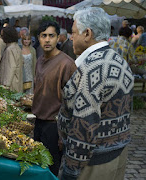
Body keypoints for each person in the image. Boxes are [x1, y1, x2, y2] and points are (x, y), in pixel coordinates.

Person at [58, 7, 134, 180]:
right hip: (117, 153)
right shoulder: (119, 60)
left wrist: (70, 170)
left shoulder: (93, 68)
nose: (71, 37)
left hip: (93, 164)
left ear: (87, 33)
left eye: (74, 32)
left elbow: (85, 125)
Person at [31, 21, 77, 176]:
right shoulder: (39, 60)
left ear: (58, 38)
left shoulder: (67, 64)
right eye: (43, 36)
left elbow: (75, 103)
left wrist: (64, 134)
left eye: (51, 35)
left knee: (52, 169)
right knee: (38, 166)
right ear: (39, 38)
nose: (47, 40)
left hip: (55, 126)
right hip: (39, 122)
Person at [0, 27, 23, 93]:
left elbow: (11, 68)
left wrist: (5, 86)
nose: (1, 37)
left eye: (2, 35)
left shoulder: (10, 49)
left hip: (11, 85)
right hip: (16, 81)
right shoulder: (16, 47)